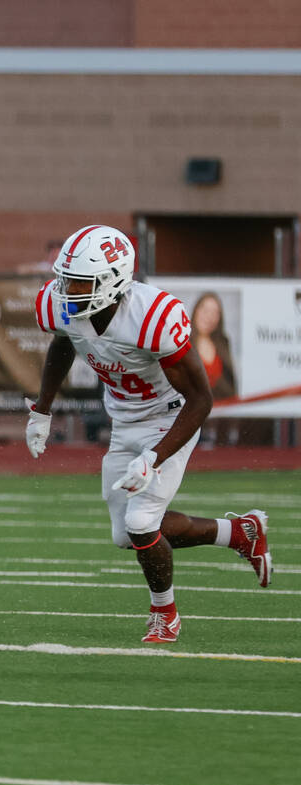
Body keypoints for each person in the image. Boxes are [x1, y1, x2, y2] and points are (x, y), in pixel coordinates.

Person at [26, 224, 271, 644]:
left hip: (170, 415)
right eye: (64, 278)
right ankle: (240, 533)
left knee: (141, 521)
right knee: (127, 534)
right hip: (124, 420)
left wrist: (154, 456)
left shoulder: (152, 316)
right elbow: (64, 343)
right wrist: (42, 409)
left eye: (79, 281)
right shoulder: (59, 304)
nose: (66, 289)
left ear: (113, 281)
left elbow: (201, 400)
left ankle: (165, 616)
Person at [191, 292, 238, 446]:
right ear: (196, 311)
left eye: (215, 313)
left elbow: (230, 386)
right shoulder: (184, 342)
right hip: (190, 419)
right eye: (205, 310)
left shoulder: (223, 343)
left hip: (219, 422)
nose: (209, 317)